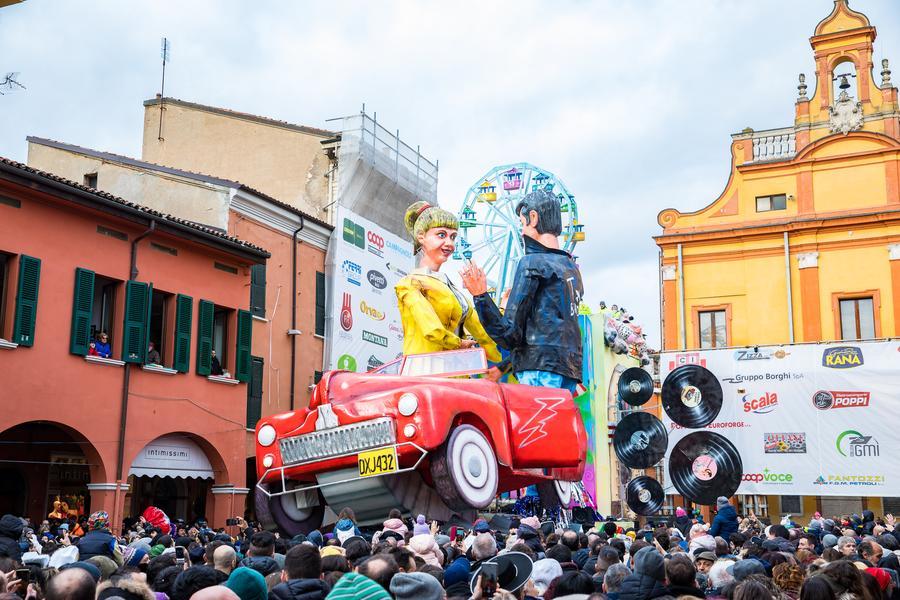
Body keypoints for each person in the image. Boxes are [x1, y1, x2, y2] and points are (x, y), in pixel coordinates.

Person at [460, 188, 583, 393]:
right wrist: (503, 367)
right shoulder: (571, 269)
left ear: (533, 218)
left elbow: (509, 334)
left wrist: (480, 295)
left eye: (521, 222)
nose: (521, 231)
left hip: (538, 369)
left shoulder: (531, 263)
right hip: (569, 368)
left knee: (538, 425)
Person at [395, 201, 500, 364]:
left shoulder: (452, 289)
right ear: (421, 237)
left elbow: (482, 332)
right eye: (441, 235)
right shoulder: (409, 284)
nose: (450, 244)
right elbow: (431, 329)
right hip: (425, 370)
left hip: (456, 371)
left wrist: (506, 360)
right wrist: (459, 344)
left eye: (453, 237)